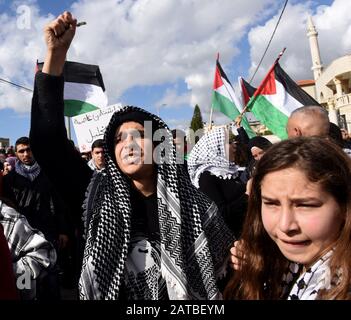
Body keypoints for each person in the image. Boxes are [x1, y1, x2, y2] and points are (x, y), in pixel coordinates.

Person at [30, 11, 234, 300]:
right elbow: (47, 141)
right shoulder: (95, 195)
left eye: (139, 134)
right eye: (118, 139)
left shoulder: (197, 205)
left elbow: (229, 275)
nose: (128, 144)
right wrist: (56, 54)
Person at [224, 137, 351, 300]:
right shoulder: (289, 267)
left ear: (344, 207)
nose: (285, 225)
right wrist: (257, 273)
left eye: (305, 205)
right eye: (271, 203)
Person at [2, 136, 69, 299]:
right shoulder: (9, 180)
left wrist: (63, 230)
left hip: (47, 233)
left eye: (29, 150)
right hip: (22, 242)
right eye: (22, 151)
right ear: (16, 154)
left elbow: (60, 205)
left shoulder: (48, 175)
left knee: (50, 278)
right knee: (25, 284)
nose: (26, 154)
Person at [187, 127, 248, 237]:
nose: (234, 144)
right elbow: (220, 215)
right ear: (216, 148)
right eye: (229, 142)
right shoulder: (206, 177)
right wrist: (248, 194)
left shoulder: (228, 171)